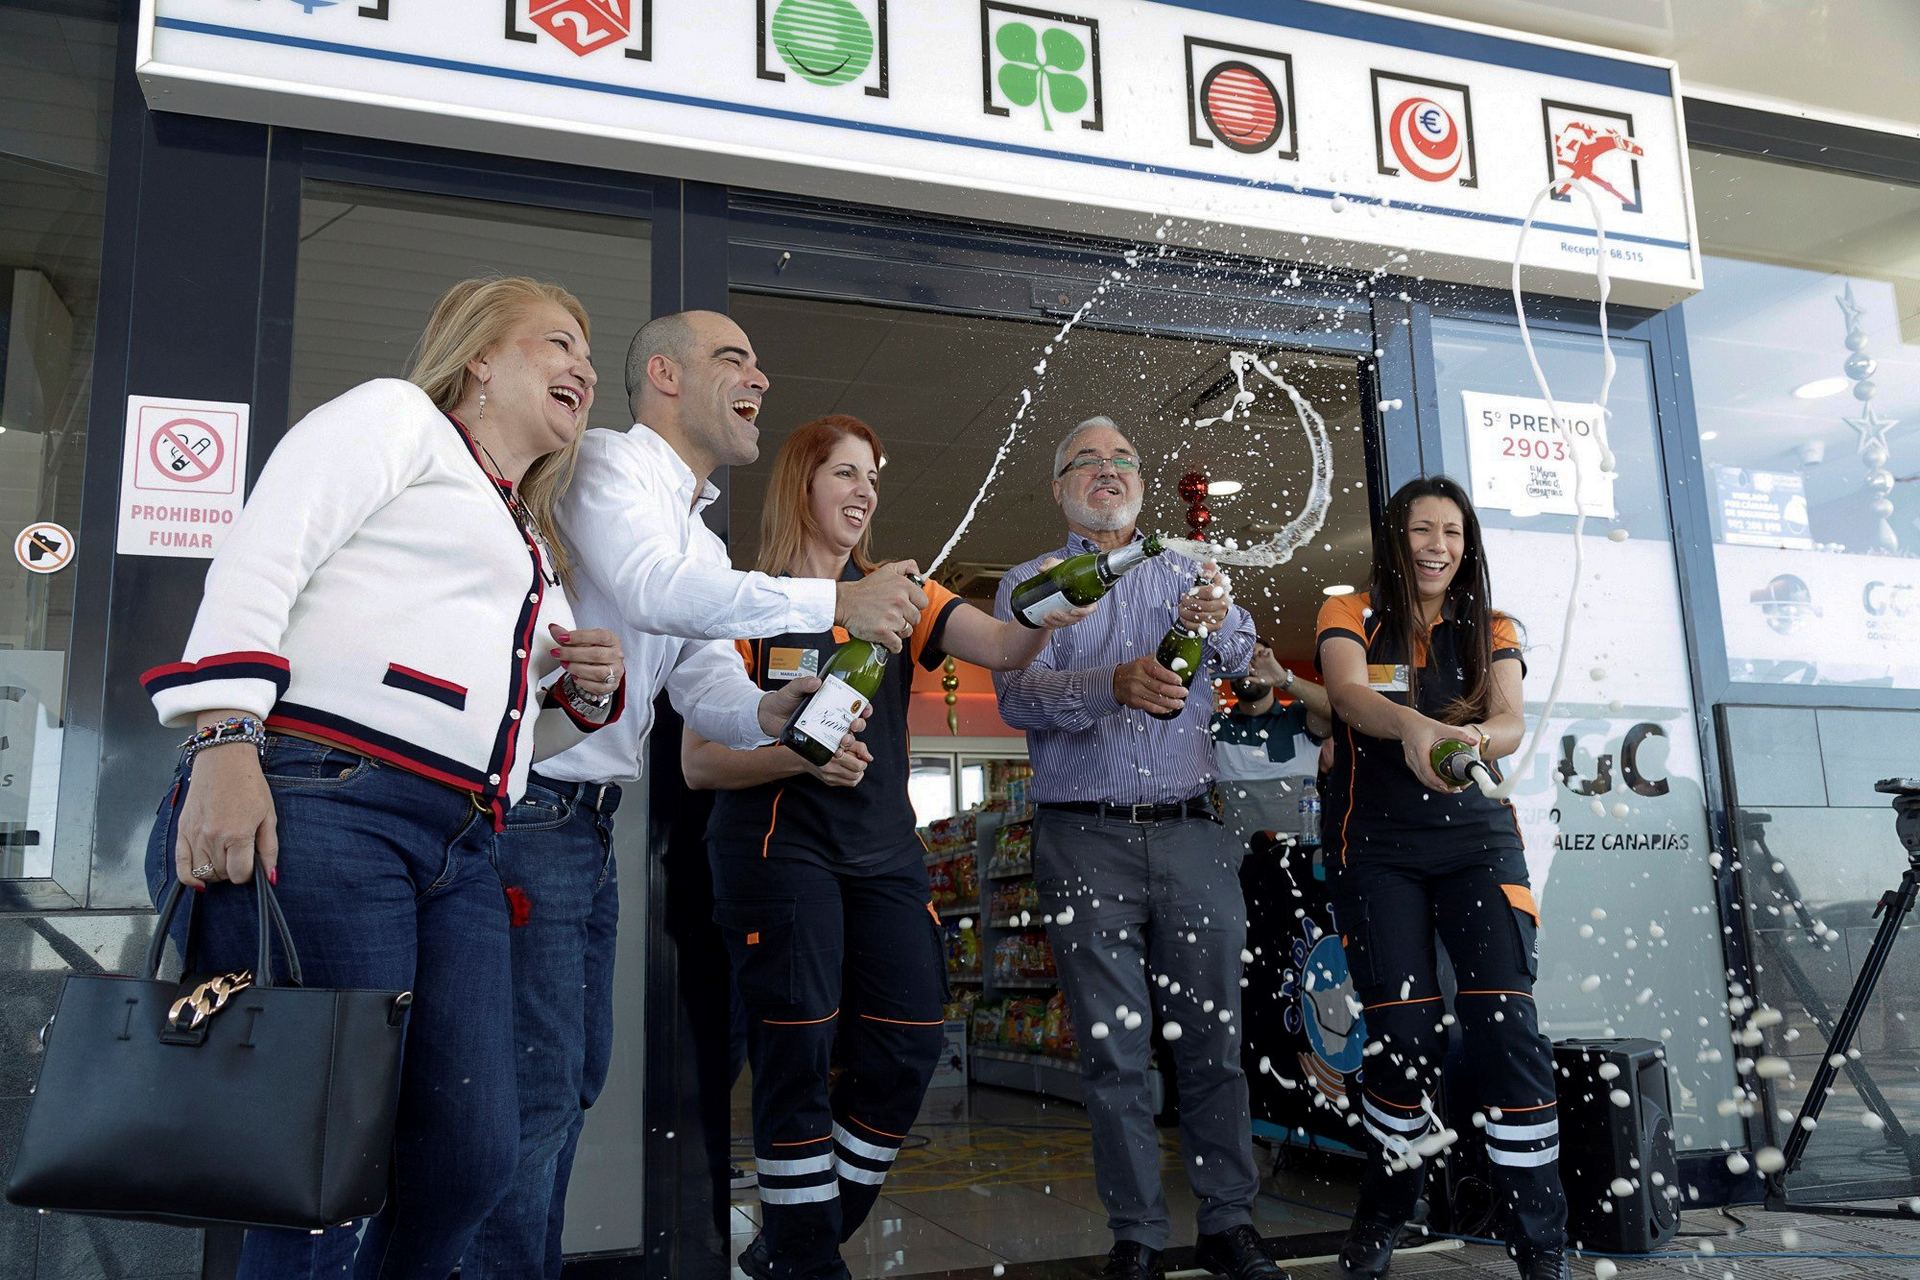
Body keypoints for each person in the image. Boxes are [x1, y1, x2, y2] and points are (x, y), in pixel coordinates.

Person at [141, 277, 629, 1278]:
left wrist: (569, 684)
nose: (583, 365)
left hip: (460, 840)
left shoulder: (526, 536)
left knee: (469, 1153)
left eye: (588, 351)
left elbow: (478, 710)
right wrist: (226, 738)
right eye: (558, 341)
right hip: (328, 800)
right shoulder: (396, 417)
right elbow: (261, 556)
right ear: (478, 358)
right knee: (320, 1162)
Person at [463, 312, 918, 1278]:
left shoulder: (702, 535)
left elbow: (703, 686)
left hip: (585, 828)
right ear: (665, 375)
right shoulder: (608, 466)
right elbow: (651, 587)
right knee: (538, 1091)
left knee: (571, 1079)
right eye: (734, 358)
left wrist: (776, 709)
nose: (760, 374)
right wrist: (830, 603)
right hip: (530, 810)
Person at [683, 413, 1093, 1280]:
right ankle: (807, 1262)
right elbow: (700, 764)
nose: (865, 490)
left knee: (909, 1041)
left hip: (883, 860)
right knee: (794, 1052)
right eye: (844, 473)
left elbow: (1009, 647)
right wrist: (800, 754)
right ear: (803, 485)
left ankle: (801, 1241)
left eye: (872, 475)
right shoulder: (742, 602)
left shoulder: (906, 596)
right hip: (774, 856)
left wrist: (1057, 602)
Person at [993, 414, 1288, 1280]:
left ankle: (1230, 1222)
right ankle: (1137, 1234)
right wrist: (1108, 683)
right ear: (1059, 489)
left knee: (1213, 1039)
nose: (1107, 469)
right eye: (1086, 460)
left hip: (1195, 833)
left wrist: (1226, 618)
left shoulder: (1190, 570)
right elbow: (1018, 698)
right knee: (1112, 1051)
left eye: (1122, 458)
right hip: (1081, 837)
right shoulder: (1034, 582)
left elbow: (1245, 665)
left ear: (1142, 484)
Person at [1314, 475, 1567, 1280]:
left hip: (1479, 846)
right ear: (1396, 540)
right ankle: (1386, 1212)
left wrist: (1468, 743)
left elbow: (1510, 721)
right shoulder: (1347, 611)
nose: (1437, 546)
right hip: (1376, 849)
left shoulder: (1491, 626)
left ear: (1468, 544)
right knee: (1407, 1038)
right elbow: (1349, 695)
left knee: (1508, 1033)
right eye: (1422, 530)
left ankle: (1542, 1246)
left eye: (1452, 532)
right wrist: (1417, 728)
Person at [1211, 641, 1333, 851]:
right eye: (1239, 660)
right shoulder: (1215, 725)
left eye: (1258, 658)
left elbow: (1337, 710)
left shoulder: (1299, 717)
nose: (1249, 667)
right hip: (1233, 864)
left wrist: (1284, 679)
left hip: (1297, 860)